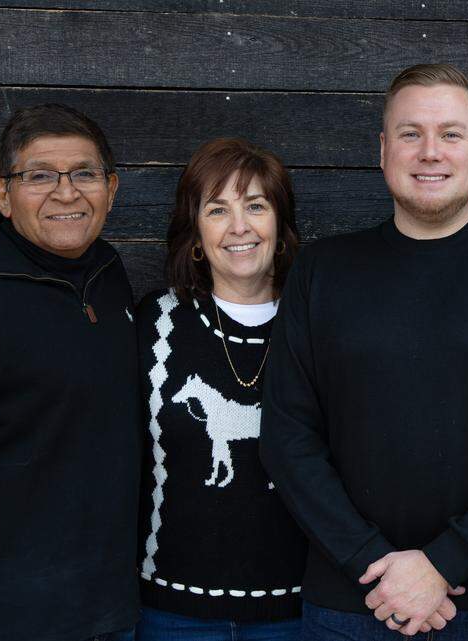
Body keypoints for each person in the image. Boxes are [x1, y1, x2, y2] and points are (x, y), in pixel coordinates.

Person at [259, 63, 468, 641]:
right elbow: (288, 432)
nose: (430, 152)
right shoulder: (323, 270)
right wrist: (372, 563)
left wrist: (447, 562)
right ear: (383, 149)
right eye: (411, 134)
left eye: (451, 134)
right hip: (347, 600)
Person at [0, 104, 139, 641]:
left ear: (112, 189)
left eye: (85, 174)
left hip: (115, 614)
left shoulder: (109, 278)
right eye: (40, 176)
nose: (67, 193)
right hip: (7, 622)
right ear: (2, 194)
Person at [134, 138, 307, 640]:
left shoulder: (317, 320)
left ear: (280, 224)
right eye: (217, 210)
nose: (239, 227)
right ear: (196, 233)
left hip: (295, 612)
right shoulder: (156, 322)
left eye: (256, 206)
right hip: (172, 612)